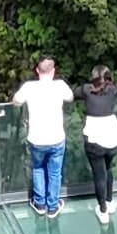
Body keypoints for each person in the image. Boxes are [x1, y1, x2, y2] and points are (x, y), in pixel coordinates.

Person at [13, 55, 71, 217]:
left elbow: (16, 101)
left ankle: (40, 204)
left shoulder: (29, 87)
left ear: (37, 70)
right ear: (53, 71)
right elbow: (71, 97)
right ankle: (53, 206)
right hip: (57, 138)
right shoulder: (59, 86)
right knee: (54, 173)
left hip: (36, 139)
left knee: (38, 168)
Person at [78, 65, 117, 216]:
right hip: (112, 138)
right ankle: (110, 201)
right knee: (108, 169)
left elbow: (72, 92)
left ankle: (102, 209)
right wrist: (114, 86)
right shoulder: (113, 90)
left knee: (99, 175)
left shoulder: (87, 90)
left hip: (95, 139)